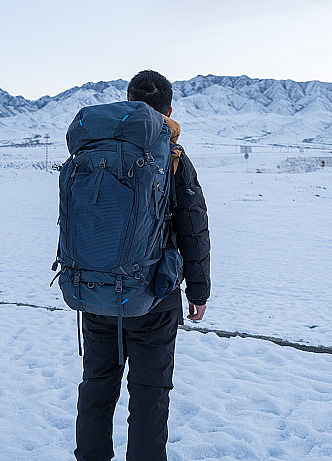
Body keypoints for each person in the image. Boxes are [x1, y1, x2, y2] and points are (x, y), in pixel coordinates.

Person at [74, 70, 211, 461]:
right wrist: (199, 290)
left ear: (129, 102)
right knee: (150, 395)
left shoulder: (92, 149)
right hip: (154, 295)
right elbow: (193, 228)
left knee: (97, 387)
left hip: (96, 291)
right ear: (169, 110)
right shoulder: (172, 157)